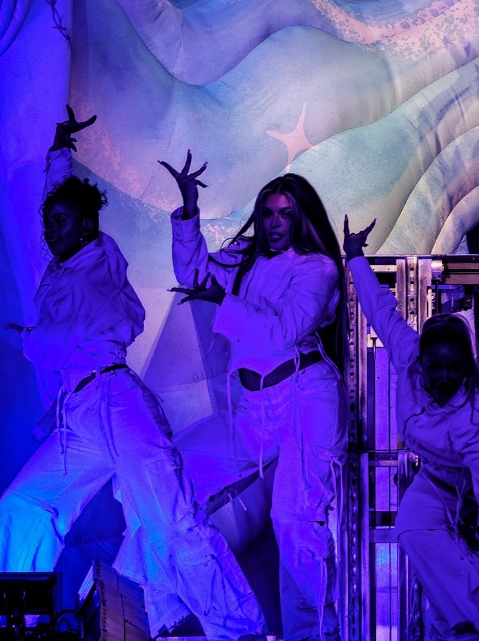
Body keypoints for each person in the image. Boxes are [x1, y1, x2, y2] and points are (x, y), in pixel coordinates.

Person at [0, 110, 265, 641]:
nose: (51, 231)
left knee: (174, 522)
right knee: (25, 504)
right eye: (49, 223)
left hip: (117, 404)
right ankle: (8, 624)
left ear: (87, 227)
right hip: (82, 413)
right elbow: (61, 213)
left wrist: (23, 336)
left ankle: (240, 631)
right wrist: (58, 158)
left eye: (62, 223)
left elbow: (51, 345)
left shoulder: (96, 266)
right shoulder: (70, 262)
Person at [163, 152, 347, 641]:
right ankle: (231, 618)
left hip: (305, 400)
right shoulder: (246, 260)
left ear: (301, 218)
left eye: (285, 214)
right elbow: (194, 273)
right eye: (267, 214)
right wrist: (188, 211)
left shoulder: (318, 268)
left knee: (294, 522)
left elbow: (283, 330)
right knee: (174, 473)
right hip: (252, 410)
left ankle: (317, 636)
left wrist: (224, 301)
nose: (274, 223)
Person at [344, 217, 479, 641]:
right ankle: (458, 620)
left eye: (455, 367)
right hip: (436, 481)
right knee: (412, 528)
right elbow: (379, 310)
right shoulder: (409, 355)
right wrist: (355, 257)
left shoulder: (474, 419)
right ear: (422, 360)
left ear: (466, 365)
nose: (445, 377)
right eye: (436, 367)